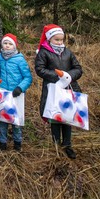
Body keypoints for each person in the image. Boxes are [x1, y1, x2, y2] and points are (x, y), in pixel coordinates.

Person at [34, 24, 82, 160]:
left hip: (68, 90)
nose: (60, 42)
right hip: (53, 90)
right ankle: (56, 144)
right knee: (55, 117)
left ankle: (67, 145)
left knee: (67, 117)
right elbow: (40, 69)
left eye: (61, 39)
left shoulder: (68, 52)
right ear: (49, 39)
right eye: (57, 40)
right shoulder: (44, 53)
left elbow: (78, 68)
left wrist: (69, 76)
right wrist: (58, 76)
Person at [0, 33, 32, 152]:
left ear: (14, 46)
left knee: (16, 121)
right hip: (3, 93)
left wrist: (20, 88)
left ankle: (17, 143)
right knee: (2, 119)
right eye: (5, 43)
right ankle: (2, 142)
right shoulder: (0, 57)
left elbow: (28, 77)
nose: (7, 45)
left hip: (16, 94)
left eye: (10, 44)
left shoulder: (19, 59)